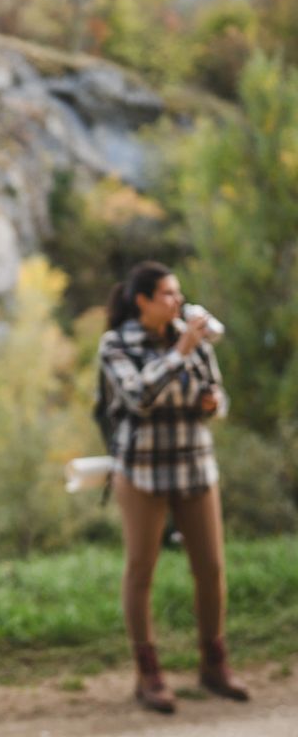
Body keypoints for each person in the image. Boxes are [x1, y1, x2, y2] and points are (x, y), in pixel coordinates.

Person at [98, 261, 248, 714]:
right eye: (167, 294)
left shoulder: (192, 336)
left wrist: (212, 401)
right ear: (142, 300)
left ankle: (214, 665)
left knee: (211, 567)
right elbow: (138, 397)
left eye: (178, 293)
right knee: (141, 570)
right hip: (141, 473)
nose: (177, 301)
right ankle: (148, 674)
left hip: (195, 469)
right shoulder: (116, 344)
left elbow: (218, 396)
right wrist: (181, 352)